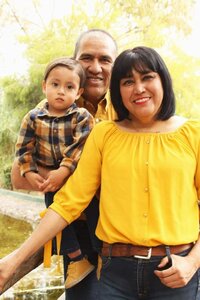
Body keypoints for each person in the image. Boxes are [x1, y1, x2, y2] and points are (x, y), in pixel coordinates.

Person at [1, 46, 200, 300]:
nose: (138, 88)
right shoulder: (104, 134)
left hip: (176, 276)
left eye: (147, 77)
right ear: (117, 90)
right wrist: (15, 259)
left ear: (163, 79)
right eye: (128, 81)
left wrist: (193, 262)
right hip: (114, 279)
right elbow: (69, 202)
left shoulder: (193, 134)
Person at [10, 29, 118, 299]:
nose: (95, 67)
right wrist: (74, 175)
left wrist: (71, 175)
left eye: (105, 59)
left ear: (115, 66)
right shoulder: (48, 107)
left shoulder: (126, 105)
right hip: (74, 226)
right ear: (74, 61)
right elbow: (19, 178)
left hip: (118, 228)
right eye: (86, 58)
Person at [14, 56, 97, 288]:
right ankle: (76, 259)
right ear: (44, 86)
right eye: (55, 84)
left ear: (79, 92)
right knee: (55, 217)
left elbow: (81, 146)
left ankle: (100, 254)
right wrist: (29, 172)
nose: (61, 91)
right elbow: (23, 148)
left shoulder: (81, 117)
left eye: (69, 87)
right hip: (51, 181)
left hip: (77, 180)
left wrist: (64, 170)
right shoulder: (33, 117)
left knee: (93, 216)